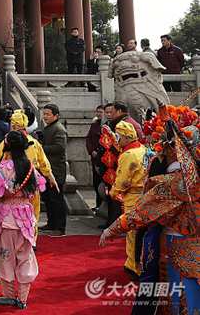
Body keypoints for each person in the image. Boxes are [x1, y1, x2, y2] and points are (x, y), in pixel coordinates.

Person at [99, 105, 199, 315]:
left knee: (176, 298)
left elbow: (142, 212)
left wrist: (112, 229)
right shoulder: (190, 177)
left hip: (177, 245)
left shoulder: (174, 183)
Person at [0, 130, 46, 309]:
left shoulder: (3, 168)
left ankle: (9, 295)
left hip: (6, 218)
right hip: (25, 217)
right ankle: (23, 298)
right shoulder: (30, 166)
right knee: (25, 257)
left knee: (5, 257)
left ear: (7, 146)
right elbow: (38, 187)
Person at [0, 110, 56, 232]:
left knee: (11, 215)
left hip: (12, 184)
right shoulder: (34, 143)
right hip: (31, 181)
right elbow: (44, 163)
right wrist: (50, 177)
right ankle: (31, 237)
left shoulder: (7, 142)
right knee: (33, 214)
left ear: (13, 125)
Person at [109, 120, 147, 278]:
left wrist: (113, 192)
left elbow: (122, 180)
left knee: (132, 231)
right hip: (144, 194)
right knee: (141, 232)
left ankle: (133, 265)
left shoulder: (128, 155)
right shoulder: (143, 149)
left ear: (126, 137)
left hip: (132, 196)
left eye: (118, 137)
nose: (116, 140)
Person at [40, 104, 68, 236]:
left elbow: (59, 148)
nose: (45, 117)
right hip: (48, 169)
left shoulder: (59, 129)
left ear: (56, 116)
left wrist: (41, 148)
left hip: (56, 169)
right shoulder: (49, 128)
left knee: (57, 199)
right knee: (48, 199)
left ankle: (60, 227)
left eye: (48, 114)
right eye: (44, 114)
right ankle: (51, 223)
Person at [85, 105, 106, 218]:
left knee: (104, 182)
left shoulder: (107, 126)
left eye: (101, 112)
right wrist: (91, 150)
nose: (99, 114)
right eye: (97, 112)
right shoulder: (94, 125)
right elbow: (88, 139)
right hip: (95, 157)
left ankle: (103, 205)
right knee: (96, 182)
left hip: (104, 158)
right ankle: (98, 204)